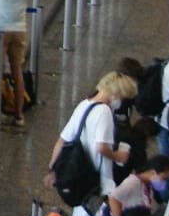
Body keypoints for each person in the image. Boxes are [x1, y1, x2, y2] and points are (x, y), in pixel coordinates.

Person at [46, 72, 137, 200]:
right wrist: (118, 156)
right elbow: (101, 147)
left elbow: (62, 140)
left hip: (79, 173)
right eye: (123, 97)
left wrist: (52, 169)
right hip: (97, 178)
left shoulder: (84, 105)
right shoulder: (104, 111)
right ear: (116, 93)